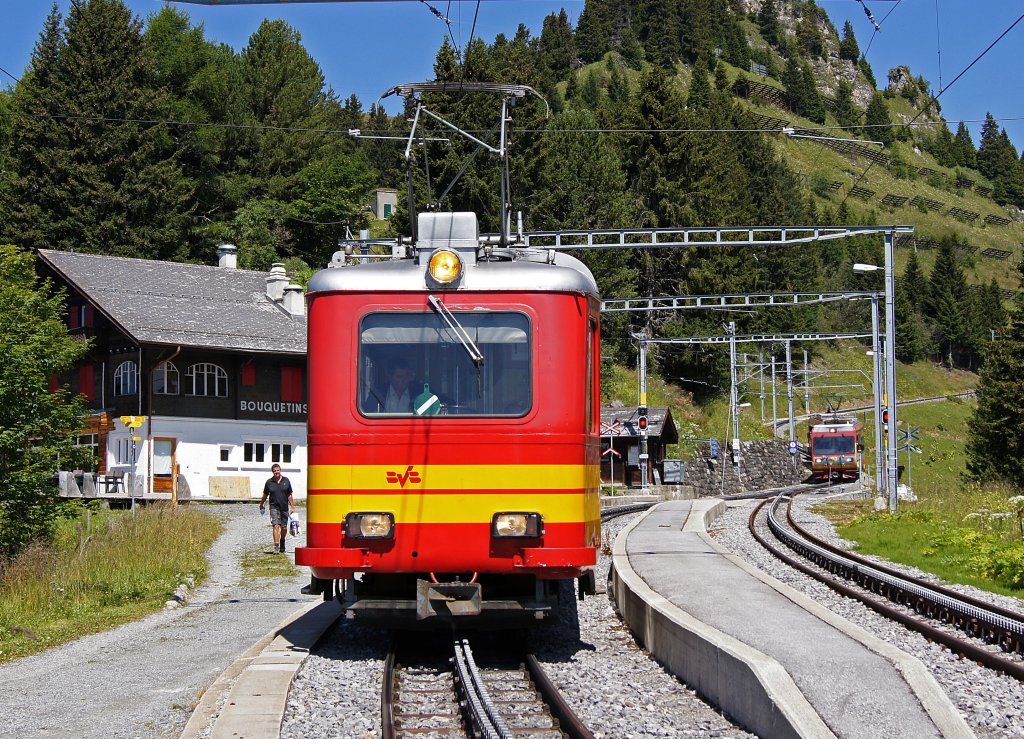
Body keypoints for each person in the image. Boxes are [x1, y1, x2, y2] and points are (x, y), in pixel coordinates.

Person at [259, 463, 295, 553]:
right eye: (274, 471)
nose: (276, 472)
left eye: (278, 470)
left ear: (280, 470)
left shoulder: (286, 480)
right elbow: (265, 495)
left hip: (284, 507)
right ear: (272, 472)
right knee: (276, 525)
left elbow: (289, 495)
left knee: (284, 527)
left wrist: (292, 507)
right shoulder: (269, 482)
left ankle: (282, 541)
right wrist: (261, 504)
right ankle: (276, 546)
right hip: (273, 506)